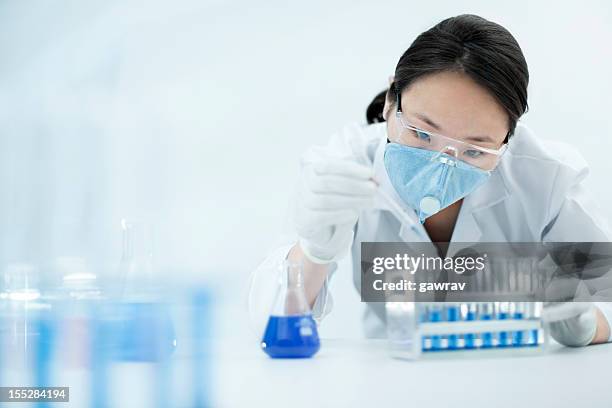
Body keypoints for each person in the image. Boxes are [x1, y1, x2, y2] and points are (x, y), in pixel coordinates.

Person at [249, 14, 612, 346]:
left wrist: (582, 322)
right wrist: (314, 252)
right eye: (421, 134)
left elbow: (607, 296)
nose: (442, 166)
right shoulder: (346, 164)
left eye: (474, 150)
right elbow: (271, 325)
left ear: (507, 139)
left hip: (510, 379)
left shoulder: (547, 178)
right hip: (393, 379)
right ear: (392, 101)